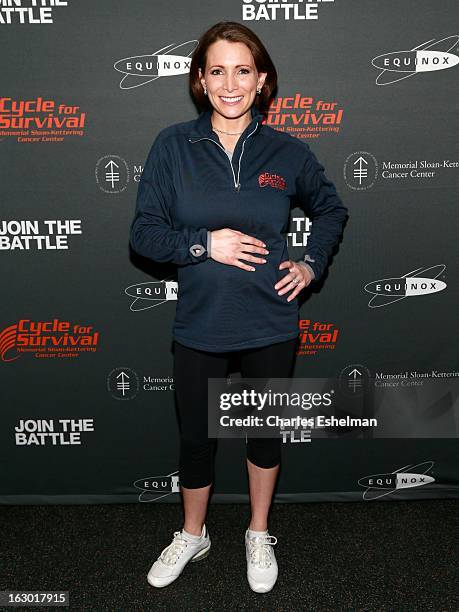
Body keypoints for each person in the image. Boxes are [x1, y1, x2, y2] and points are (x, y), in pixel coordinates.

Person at [129, 21, 348, 593]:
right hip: (199, 324)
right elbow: (145, 235)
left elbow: (331, 210)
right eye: (218, 70)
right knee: (196, 439)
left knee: (263, 435)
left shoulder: (288, 151)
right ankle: (193, 534)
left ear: (262, 81)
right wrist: (206, 243)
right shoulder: (172, 146)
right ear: (201, 80)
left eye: (242, 71)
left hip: (270, 321)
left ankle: (257, 532)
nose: (230, 83)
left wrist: (310, 264)